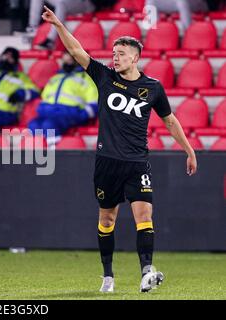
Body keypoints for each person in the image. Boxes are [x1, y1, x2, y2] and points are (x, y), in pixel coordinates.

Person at [42, 6, 198, 292]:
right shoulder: (104, 77)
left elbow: (170, 121)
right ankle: (108, 276)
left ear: (135, 57)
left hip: (137, 162)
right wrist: (58, 25)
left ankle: (147, 272)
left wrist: (189, 150)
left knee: (144, 216)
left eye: (121, 54)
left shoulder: (152, 87)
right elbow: (77, 51)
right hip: (107, 162)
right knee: (107, 218)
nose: (115, 57)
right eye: (114, 53)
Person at [28, 51, 98, 139]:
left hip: (69, 114)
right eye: (65, 60)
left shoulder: (86, 78)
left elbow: (94, 102)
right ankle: (38, 151)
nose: (67, 62)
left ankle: (54, 151)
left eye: (70, 59)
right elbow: (44, 97)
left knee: (49, 126)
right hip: (47, 113)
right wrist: (42, 109)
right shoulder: (55, 77)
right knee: (33, 125)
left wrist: (80, 115)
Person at [28, 0, 96, 50]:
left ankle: (50, 41)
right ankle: (33, 28)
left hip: (86, 3)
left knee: (61, 3)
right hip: (68, 3)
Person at [145, 0, 209, 31]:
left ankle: (188, 32)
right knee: (151, 1)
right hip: (177, 2)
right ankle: (153, 32)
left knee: (182, 2)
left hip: (198, 3)